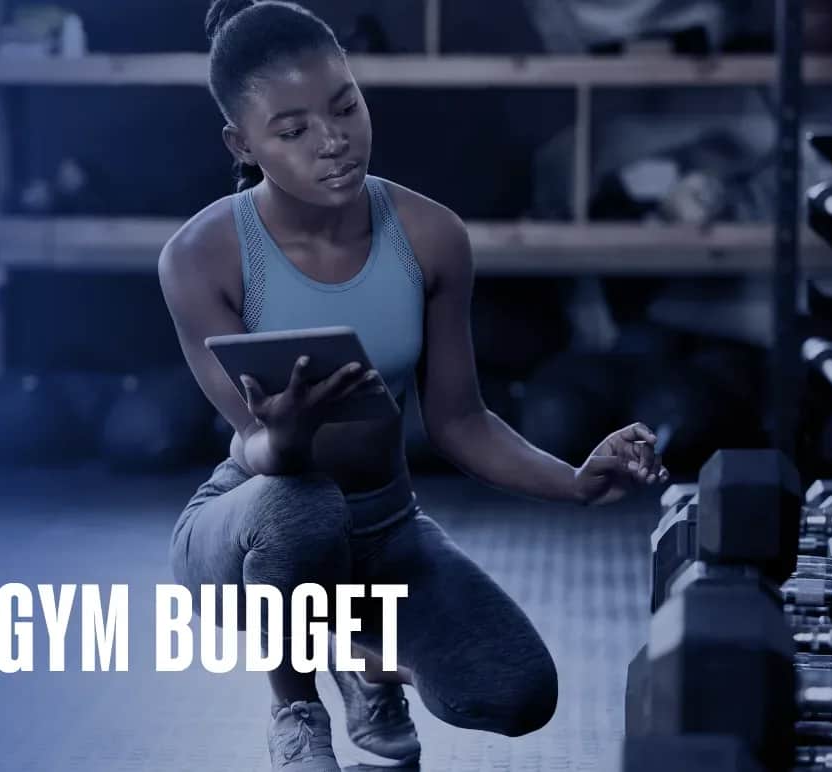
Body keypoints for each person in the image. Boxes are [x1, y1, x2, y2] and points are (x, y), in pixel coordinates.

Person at [158, 2, 670, 769]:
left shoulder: (430, 236)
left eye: (346, 107)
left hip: (385, 529)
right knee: (301, 503)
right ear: (244, 144)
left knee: (517, 693)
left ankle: (365, 654)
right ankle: (295, 706)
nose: (333, 142)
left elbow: (461, 421)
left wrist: (576, 484)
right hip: (246, 533)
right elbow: (258, 446)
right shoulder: (201, 257)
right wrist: (290, 435)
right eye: (294, 131)